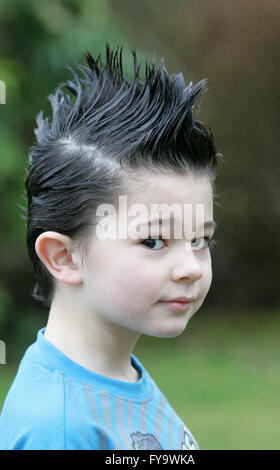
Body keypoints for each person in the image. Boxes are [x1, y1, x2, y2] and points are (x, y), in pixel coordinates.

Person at [0, 44, 221, 450]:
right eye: (154, 240)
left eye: (199, 239)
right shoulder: (58, 428)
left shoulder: (118, 377)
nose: (190, 266)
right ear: (64, 258)